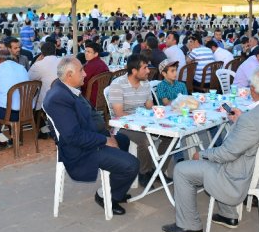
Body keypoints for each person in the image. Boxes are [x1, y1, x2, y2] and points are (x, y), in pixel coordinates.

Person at [161, 66, 259, 232]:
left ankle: (189, 225)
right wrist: (241, 121)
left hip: (248, 174)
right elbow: (258, 130)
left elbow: (226, 153)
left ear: (253, 89)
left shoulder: (251, 120)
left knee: (182, 169)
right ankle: (228, 215)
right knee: (222, 159)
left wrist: (201, 154)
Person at [44, 57, 139, 215]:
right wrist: (104, 140)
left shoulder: (68, 89)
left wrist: (108, 135)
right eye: (81, 70)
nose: (85, 73)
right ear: (69, 75)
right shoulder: (58, 98)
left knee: (123, 140)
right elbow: (73, 137)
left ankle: (115, 189)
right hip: (80, 150)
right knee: (132, 165)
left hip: (89, 137)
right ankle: (104, 195)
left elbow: (91, 118)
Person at [109, 54, 172, 186]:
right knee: (145, 141)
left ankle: (157, 170)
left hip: (144, 121)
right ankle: (144, 172)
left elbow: (149, 106)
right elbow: (119, 113)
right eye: (145, 68)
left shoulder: (145, 83)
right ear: (134, 71)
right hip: (124, 125)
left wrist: (164, 111)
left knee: (171, 136)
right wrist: (143, 118)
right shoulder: (118, 85)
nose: (148, 71)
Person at [28, 41, 60, 109]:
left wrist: (36, 61)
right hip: (64, 99)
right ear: (55, 51)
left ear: (41, 53)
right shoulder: (64, 61)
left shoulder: (38, 65)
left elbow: (28, 79)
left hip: (47, 102)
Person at [81, 41, 109, 107]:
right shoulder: (102, 63)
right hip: (103, 97)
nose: (86, 54)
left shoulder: (90, 66)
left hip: (89, 98)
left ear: (96, 54)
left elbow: (82, 83)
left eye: (89, 52)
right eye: (85, 51)